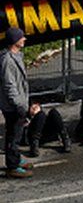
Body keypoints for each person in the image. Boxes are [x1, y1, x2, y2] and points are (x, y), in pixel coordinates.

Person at [1, 27, 32, 178]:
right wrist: (20, 106)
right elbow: (9, 86)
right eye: (22, 37)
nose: (24, 39)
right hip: (13, 106)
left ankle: (16, 159)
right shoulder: (7, 60)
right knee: (13, 136)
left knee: (17, 134)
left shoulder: (17, 55)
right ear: (15, 40)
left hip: (19, 103)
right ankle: (12, 166)